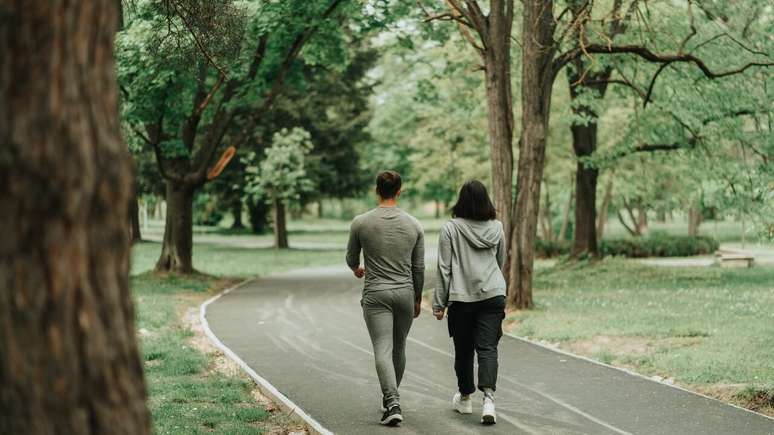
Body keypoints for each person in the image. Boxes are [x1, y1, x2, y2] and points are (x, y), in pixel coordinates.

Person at [346, 170, 425, 426]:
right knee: (399, 347)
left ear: (376, 190)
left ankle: (391, 400)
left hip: (376, 293)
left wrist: (357, 269)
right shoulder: (414, 225)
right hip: (404, 292)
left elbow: (351, 258)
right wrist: (417, 298)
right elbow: (419, 268)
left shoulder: (360, 222)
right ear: (399, 191)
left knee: (382, 347)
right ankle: (391, 399)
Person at [433, 180, 507, 425]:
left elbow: (444, 268)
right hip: (493, 294)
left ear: (461, 201)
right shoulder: (497, 227)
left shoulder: (450, 229)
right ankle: (488, 400)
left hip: (462, 298)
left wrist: (439, 304)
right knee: (488, 348)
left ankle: (465, 398)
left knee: (463, 349)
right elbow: (500, 260)